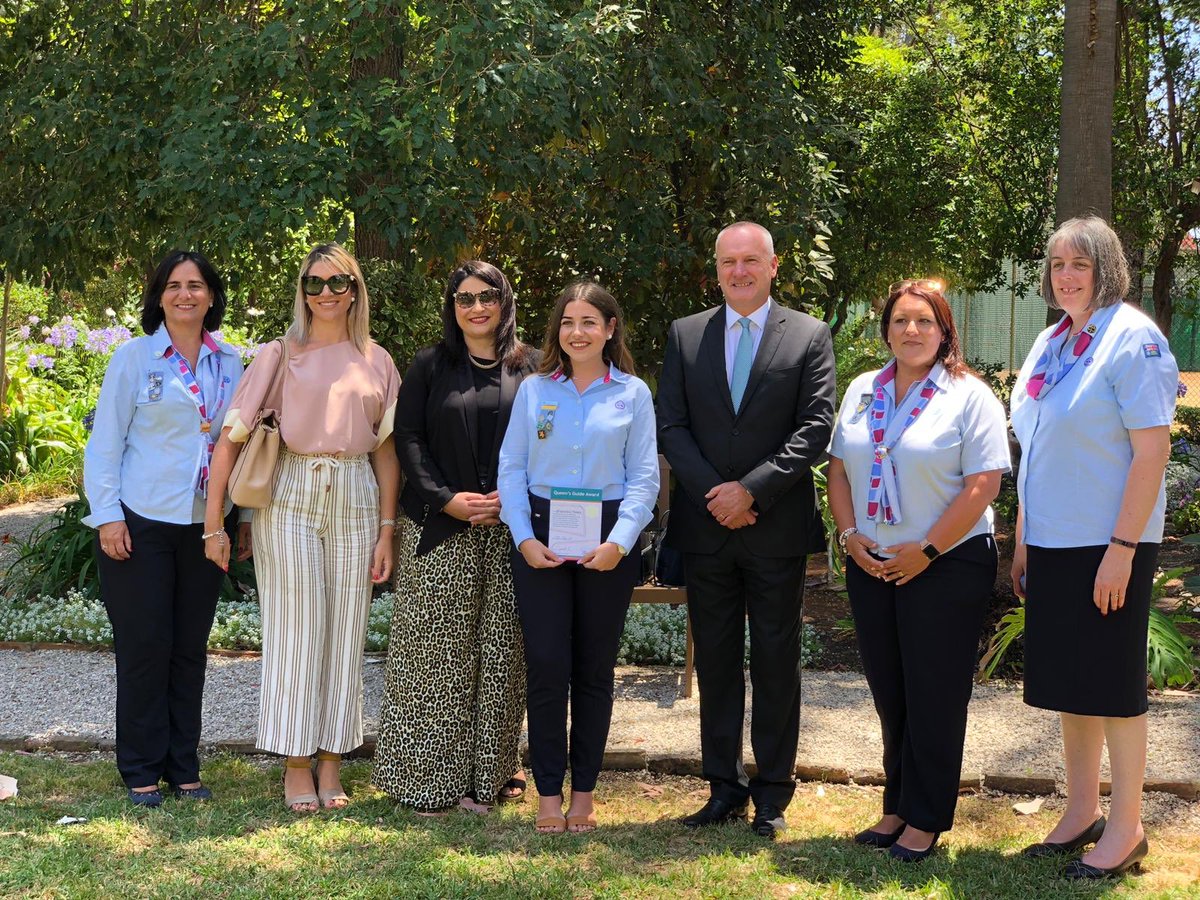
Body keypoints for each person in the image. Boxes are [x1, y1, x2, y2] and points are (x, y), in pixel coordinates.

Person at [204, 243, 400, 813]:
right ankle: (295, 762)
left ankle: (333, 759)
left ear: (355, 289)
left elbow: (386, 452)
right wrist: (214, 523)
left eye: (337, 283)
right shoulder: (278, 353)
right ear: (302, 291)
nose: (325, 294)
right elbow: (230, 440)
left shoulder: (377, 360)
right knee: (294, 626)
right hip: (290, 489)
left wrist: (388, 528)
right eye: (313, 284)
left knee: (346, 628)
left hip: (357, 492)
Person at [657, 221, 836, 839]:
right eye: (729, 262)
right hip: (708, 528)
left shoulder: (809, 336)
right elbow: (671, 427)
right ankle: (723, 787)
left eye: (750, 261)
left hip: (774, 527)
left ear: (773, 265)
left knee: (777, 660)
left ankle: (773, 793)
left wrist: (750, 491)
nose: (739, 271)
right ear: (717, 269)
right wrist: (718, 495)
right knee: (717, 662)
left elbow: (814, 429)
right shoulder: (685, 335)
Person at [1010, 216, 1176, 879]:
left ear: (1107, 268)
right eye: (1056, 265)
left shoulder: (1132, 337)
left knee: (1111, 687)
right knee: (1071, 687)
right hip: (1051, 540)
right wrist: (1023, 537)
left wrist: (1122, 547)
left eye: (1080, 263)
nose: (1066, 276)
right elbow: (1037, 445)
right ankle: (1082, 812)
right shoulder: (1052, 341)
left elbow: (1152, 450)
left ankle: (1128, 829)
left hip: (1108, 542)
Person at [827, 280, 1010, 861]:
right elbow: (838, 468)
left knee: (934, 692)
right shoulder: (862, 389)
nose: (912, 331)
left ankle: (926, 819)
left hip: (946, 565)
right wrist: (851, 537)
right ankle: (898, 805)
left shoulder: (968, 395)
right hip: (871, 562)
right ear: (886, 329)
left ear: (945, 330)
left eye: (925, 322)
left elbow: (985, 483)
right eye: (901, 320)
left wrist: (926, 551)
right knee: (890, 690)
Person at [82, 249, 246, 806]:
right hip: (140, 521)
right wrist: (107, 516)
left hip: (204, 526)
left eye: (196, 285)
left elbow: (239, 447)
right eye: (173, 286)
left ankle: (184, 764)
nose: (185, 295)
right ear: (158, 297)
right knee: (145, 644)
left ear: (211, 295)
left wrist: (233, 521)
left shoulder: (231, 362)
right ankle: (140, 768)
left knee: (189, 649)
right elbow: (104, 445)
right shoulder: (133, 359)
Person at [373, 261, 537, 814]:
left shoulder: (535, 368)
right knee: (434, 657)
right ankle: (427, 779)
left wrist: (510, 504)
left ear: (505, 301)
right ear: (452, 307)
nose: (476, 307)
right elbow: (408, 440)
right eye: (464, 298)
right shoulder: (429, 365)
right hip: (440, 531)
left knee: (500, 655)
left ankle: (490, 773)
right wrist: (446, 498)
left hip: (512, 532)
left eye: (487, 296)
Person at [497, 281, 658, 834]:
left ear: (610, 329)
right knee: (546, 666)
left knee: (592, 670)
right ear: (556, 332)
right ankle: (547, 794)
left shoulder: (633, 394)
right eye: (568, 322)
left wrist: (621, 541)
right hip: (540, 537)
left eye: (590, 321)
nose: (578, 332)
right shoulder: (535, 391)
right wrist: (522, 536)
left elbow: (644, 477)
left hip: (607, 541)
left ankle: (583, 795)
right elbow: (512, 469)